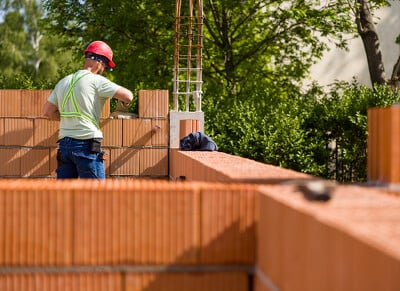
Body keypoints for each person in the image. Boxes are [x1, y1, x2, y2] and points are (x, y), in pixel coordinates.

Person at [43, 40, 133, 179]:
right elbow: (128, 96)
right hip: (86, 144)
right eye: (105, 67)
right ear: (99, 62)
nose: (104, 70)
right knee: (96, 197)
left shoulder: (63, 81)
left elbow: (48, 112)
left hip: (64, 146)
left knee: (66, 195)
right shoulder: (97, 81)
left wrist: (71, 117)